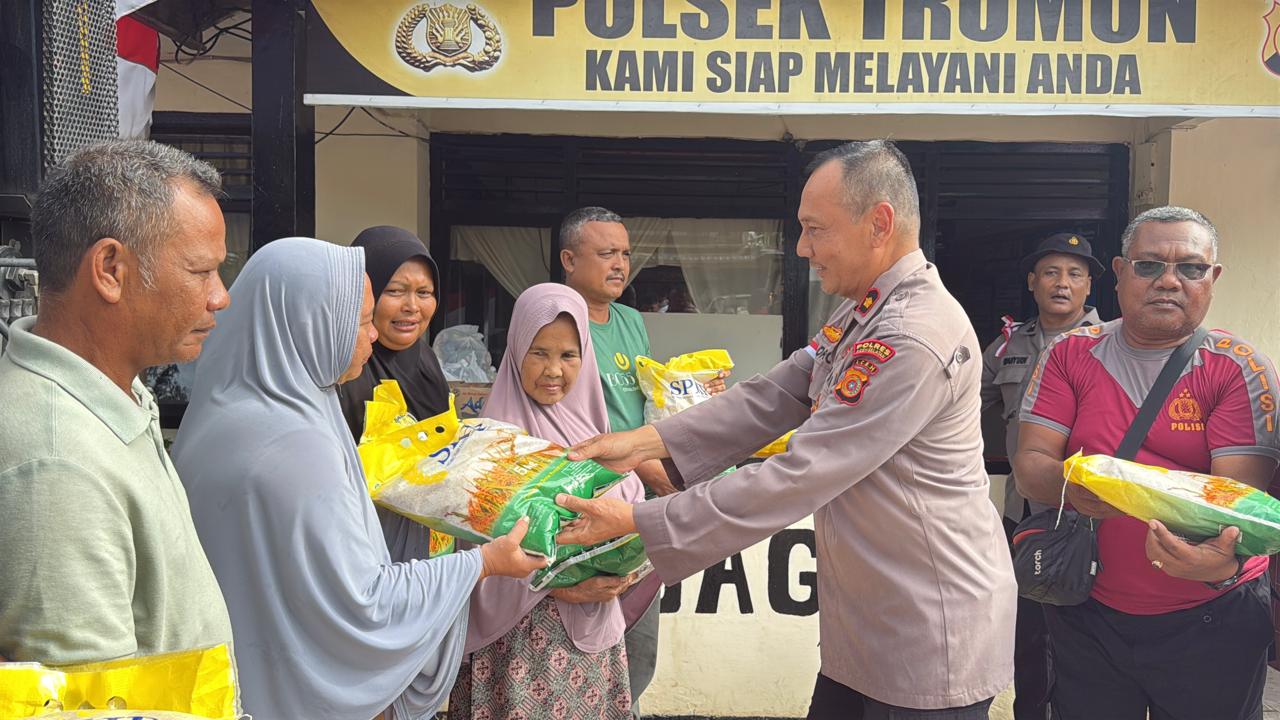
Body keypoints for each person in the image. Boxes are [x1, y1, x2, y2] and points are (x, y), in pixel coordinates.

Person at [555, 140, 1016, 719]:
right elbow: (779, 391)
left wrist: (639, 521)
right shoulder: (865, 310)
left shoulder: (911, 334)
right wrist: (644, 442)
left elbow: (802, 474)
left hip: (928, 625)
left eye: (815, 229)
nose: (801, 248)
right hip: (871, 620)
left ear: (879, 224)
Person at [171, 237, 545, 720]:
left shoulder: (223, 412)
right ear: (311, 323)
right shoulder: (297, 446)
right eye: (363, 320)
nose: (373, 336)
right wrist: (484, 563)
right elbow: (366, 605)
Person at [1012, 207, 1278, 720]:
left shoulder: (1237, 367)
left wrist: (1219, 563)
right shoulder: (1069, 354)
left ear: (1213, 277)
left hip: (1211, 617)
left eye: (1191, 268)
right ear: (1118, 272)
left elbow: (1238, 508)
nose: (1169, 281)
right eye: (1149, 265)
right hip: (1089, 613)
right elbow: (1031, 464)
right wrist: (1071, 484)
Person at [0, 140, 234, 665]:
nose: (220, 296)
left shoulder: (112, 396)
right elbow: (94, 695)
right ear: (110, 269)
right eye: (201, 271)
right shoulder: (58, 463)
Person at [450, 283, 645, 720]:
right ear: (517, 348)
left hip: (591, 642)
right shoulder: (490, 443)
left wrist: (625, 567)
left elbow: (629, 513)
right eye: (539, 353)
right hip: (514, 644)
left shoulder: (597, 435)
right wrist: (559, 585)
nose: (553, 370)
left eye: (569, 355)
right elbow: (470, 553)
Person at [558, 206, 725, 716]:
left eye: (626, 254)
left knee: (637, 642)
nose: (620, 265)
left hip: (638, 506)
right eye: (606, 253)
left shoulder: (630, 320)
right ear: (569, 259)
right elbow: (567, 420)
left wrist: (694, 392)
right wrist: (646, 467)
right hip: (586, 501)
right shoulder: (558, 319)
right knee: (578, 638)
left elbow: (644, 403)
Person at [979, 232, 1104, 720]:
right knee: (1029, 636)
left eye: (1075, 274)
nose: (1062, 283)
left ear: (1090, 285)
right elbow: (962, 402)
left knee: (1088, 640)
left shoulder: (1112, 343)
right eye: (1051, 273)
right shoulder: (1009, 345)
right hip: (1025, 513)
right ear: (1032, 282)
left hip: (1091, 518)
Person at [337, 226, 451, 563]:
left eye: (424, 292)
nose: (412, 306)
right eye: (395, 291)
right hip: (366, 550)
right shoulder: (343, 369)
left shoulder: (426, 360)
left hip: (433, 549)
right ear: (363, 293)